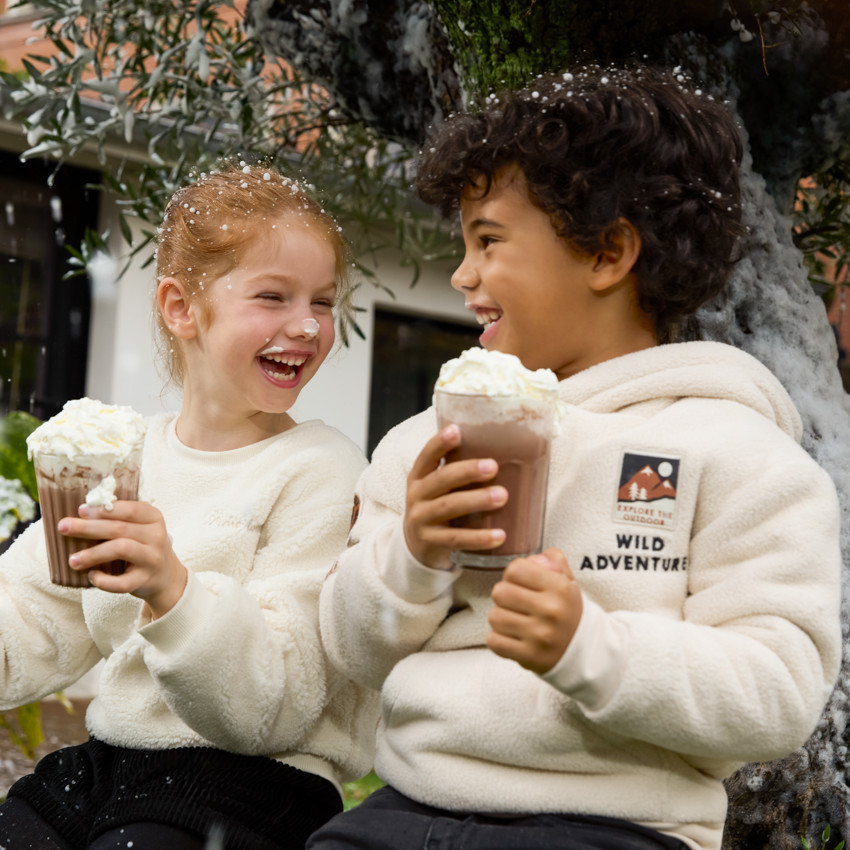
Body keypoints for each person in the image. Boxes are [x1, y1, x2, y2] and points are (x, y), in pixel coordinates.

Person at [308, 64, 843, 850]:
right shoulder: (426, 442)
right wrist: (411, 555)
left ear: (608, 253)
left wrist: (587, 648)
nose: (462, 276)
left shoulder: (738, 453)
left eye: (488, 239)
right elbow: (351, 649)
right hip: (406, 811)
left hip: (616, 826)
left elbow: (776, 694)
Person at [0, 164, 374, 850]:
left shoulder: (323, 472)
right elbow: (28, 616)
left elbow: (275, 704)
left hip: (261, 779)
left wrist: (172, 589)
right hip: (111, 762)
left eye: (322, 302)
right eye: (273, 296)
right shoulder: (121, 455)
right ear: (181, 308)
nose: (307, 326)